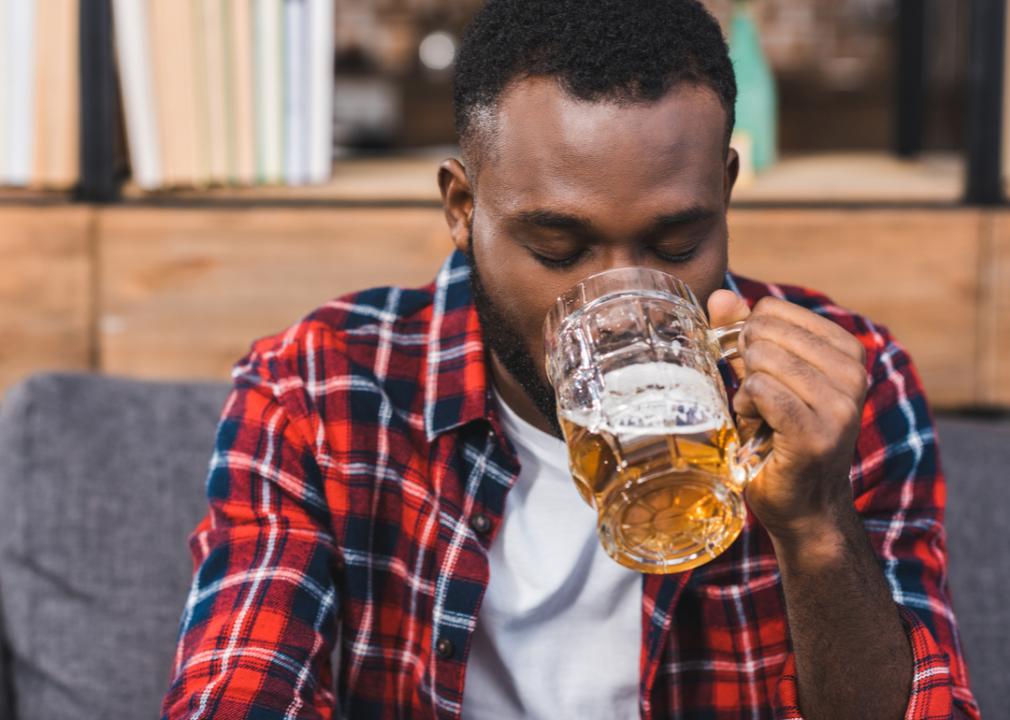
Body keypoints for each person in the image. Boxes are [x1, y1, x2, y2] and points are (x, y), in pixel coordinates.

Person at [162, 1, 978, 718]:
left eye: (676, 243)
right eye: (558, 246)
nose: (617, 300)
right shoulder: (314, 389)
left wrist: (816, 524)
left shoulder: (841, 387)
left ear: (726, 192)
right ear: (462, 207)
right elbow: (239, 690)